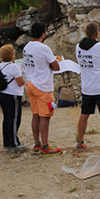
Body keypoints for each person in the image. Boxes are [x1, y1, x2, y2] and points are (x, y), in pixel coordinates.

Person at [22, 22, 62, 156]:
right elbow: (56, 67)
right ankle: (45, 146)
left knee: (36, 115)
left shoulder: (27, 47)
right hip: (43, 86)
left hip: (30, 83)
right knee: (45, 116)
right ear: (43, 33)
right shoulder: (43, 48)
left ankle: (37, 144)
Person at [76, 22, 100, 155]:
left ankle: (80, 142)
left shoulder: (78, 47)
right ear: (97, 33)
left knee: (84, 114)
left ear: (85, 32)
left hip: (87, 87)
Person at [0, 44, 25, 152]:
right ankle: (14, 143)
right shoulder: (14, 67)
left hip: (2, 93)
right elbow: (21, 82)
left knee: (7, 118)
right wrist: (23, 74)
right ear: (12, 55)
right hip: (13, 94)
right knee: (15, 119)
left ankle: (7, 142)